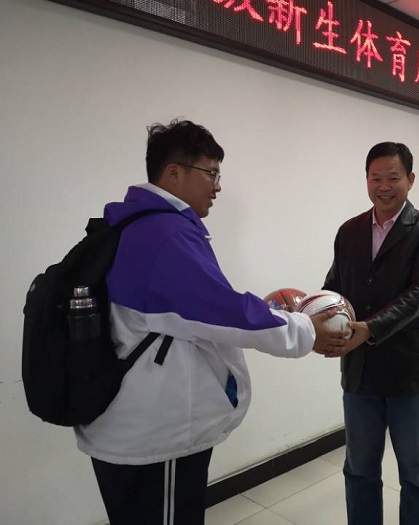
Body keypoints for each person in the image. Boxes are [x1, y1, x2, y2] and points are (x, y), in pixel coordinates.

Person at [74, 119, 347, 525]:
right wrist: (306, 331)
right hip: (157, 438)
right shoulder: (165, 234)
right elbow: (224, 312)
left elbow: (196, 311)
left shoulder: (132, 224)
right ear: (174, 173)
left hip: (128, 425)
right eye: (211, 174)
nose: (218, 187)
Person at [322, 142, 419, 525]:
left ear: (411, 179)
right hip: (359, 375)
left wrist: (370, 328)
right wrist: (315, 315)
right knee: (359, 470)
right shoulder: (349, 231)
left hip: (410, 375)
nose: (384, 186)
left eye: (393, 177)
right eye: (376, 178)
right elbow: (334, 287)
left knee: (416, 474)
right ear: (366, 180)